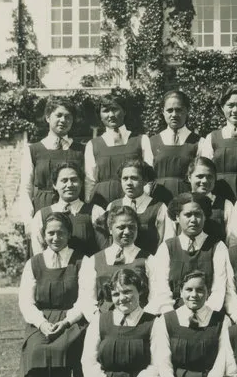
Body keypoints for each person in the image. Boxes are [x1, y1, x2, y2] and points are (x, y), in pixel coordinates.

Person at [71, 269, 160, 377]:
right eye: (116, 294)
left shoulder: (154, 322)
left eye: (128, 291)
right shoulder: (100, 320)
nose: (122, 298)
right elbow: (89, 362)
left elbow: (157, 365)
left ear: (140, 291)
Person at [18, 212, 87, 377]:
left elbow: (86, 299)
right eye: (51, 233)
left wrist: (66, 322)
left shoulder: (81, 260)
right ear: (43, 235)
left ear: (69, 234)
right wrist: (41, 323)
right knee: (36, 350)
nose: (56, 238)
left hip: (71, 320)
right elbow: (26, 302)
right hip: (41, 319)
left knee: (62, 348)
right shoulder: (34, 263)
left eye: (61, 233)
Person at [150, 271, 228, 377]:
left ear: (207, 292)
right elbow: (163, 362)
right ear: (180, 291)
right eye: (189, 289)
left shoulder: (221, 320)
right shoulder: (166, 320)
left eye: (200, 290)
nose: (194, 295)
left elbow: (222, 362)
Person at [146, 193, 230, 316]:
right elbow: (162, 290)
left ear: (205, 216)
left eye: (198, 214)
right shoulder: (167, 248)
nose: (193, 220)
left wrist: (205, 315)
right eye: (188, 215)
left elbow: (219, 289)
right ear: (177, 217)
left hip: (208, 315)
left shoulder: (218, 247)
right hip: (173, 314)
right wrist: (172, 317)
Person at [75, 205, 151, 319]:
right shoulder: (93, 261)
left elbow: (158, 297)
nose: (127, 232)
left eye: (132, 227)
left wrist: (143, 319)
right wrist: (99, 321)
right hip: (105, 321)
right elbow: (87, 301)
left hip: (140, 321)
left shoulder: (149, 259)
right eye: (121, 227)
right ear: (110, 229)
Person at [18, 95, 84, 223]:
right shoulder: (33, 150)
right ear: (48, 117)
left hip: (75, 211)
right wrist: (28, 220)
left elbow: (88, 184)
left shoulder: (82, 150)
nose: (63, 120)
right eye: (58, 115)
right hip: (43, 210)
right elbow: (26, 188)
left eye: (68, 116)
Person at [30, 161, 106, 259]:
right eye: (64, 180)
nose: (69, 185)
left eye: (74, 180)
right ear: (55, 185)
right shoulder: (41, 216)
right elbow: (39, 255)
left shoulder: (96, 212)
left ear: (81, 183)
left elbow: (104, 251)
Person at [198, 85, 237, 201]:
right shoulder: (212, 137)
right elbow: (205, 170)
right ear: (222, 107)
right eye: (230, 105)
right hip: (219, 195)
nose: (235, 110)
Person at [85, 93, 144, 208]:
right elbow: (90, 180)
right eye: (106, 111)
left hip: (133, 200)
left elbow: (148, 178)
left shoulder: (141, 140)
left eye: (115, 109)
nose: (111, 115)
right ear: (100, 115)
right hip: (101, 201)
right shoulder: (92, 145)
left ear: (124, 111)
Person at [142, 90, 199, 204]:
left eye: (179, 110)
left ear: (187, 111)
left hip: (187, 198)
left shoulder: (199, 142)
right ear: (163, 112)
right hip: (158, 198)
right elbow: (146, 176)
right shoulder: (151, 142)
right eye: (169, 110)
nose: (174, 115)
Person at [105, 157, 171, 256]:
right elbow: (108, 240)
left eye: (134, 178)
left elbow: (167, 241)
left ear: (145, 181)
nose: (129, 183)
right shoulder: (112, 206)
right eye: (125, 178)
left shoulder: (159, 207)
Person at [182, 156, 235, 244]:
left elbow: (232, 239)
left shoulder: (226, 205)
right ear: (189, 177)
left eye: (209, 177)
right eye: (200, 176)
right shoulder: (181, 202)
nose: (205, 181)